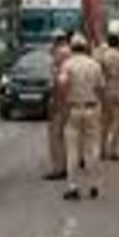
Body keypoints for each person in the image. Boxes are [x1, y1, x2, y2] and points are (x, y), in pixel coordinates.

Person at [58, 34, 106, 200]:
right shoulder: (94, 64)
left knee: (72, 150)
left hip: (73, 109)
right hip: (92, 107)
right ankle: (94, 185)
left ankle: (73, 187)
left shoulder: (67, 64)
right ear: (85, 48)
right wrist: (101, 105)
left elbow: (63, 85)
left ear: (71, 48)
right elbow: (101, 88)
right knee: (92, 148)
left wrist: (64, 105)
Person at [44, 33, 72, 181]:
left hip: (61, 103)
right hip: (71, 102)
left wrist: (55, 104)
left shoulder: (60, 64)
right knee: (65, 136)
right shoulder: (71, 59)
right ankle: (66, 166)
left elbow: (58, 85)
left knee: (56, 136)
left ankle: (59, 169)